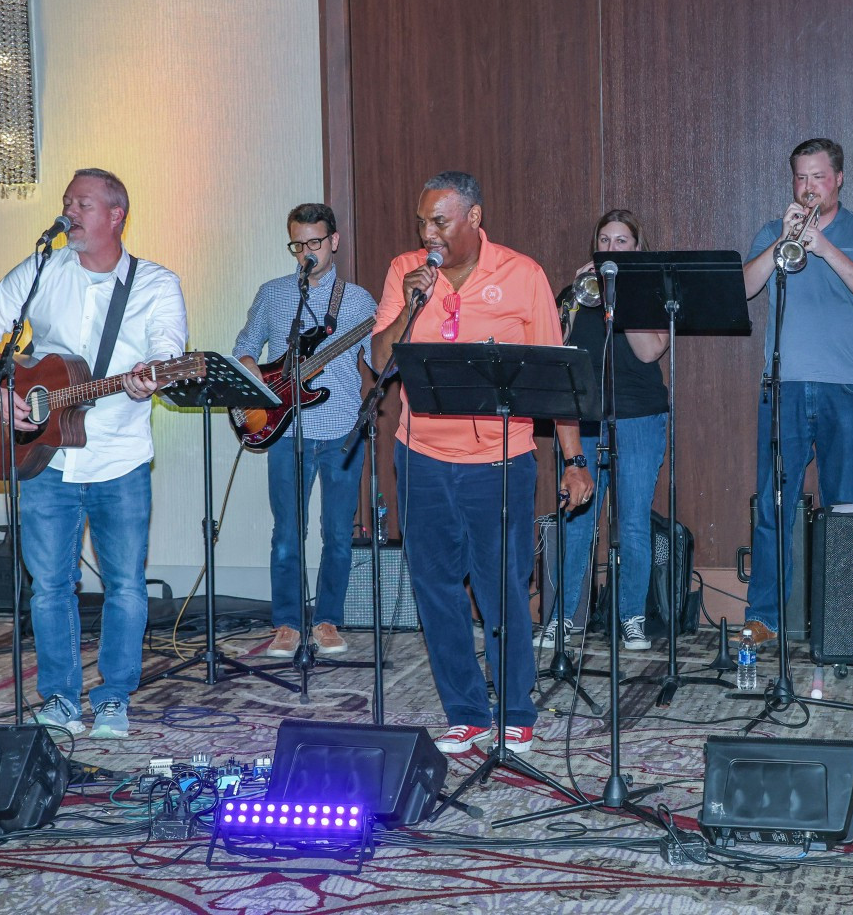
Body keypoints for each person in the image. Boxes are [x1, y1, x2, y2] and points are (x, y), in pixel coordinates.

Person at [0, 168, 188, 739]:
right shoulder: (44, 269)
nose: (70, 211)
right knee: (50, 585)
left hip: (120, 458)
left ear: (116, 215)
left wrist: (147, 379)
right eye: (67, 202)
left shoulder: (156, 284)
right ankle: (60, 698)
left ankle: (113, 696)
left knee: (126, 585)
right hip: (45, 460)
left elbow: (167, 351)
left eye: (82, 203)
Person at [371, 171, 594, 755]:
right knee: (436, 589)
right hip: (420, 457)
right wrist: (412, 303)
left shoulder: (523, 275)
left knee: (502, 588)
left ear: (473, 218)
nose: (428, 232)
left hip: (500, 461)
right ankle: (466, 711)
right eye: (422, 221)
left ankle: (516, 706)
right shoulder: (405, 271)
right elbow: (379, 360)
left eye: (439, 221)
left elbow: (556, 379)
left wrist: (573, 459)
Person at [740, 137, 853, 647]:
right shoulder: (773, 230)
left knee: (842, 506)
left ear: (839, 179)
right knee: (773, 506)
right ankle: (764, 617)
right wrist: (783, 239)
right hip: (782, 387)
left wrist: (822, 247)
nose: (808, 188)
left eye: (818, 177)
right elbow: (743, 288)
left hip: (843, 389)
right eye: (801, 178)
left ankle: (841, 620)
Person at [233, 203, 377, 659]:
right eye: (299, 245)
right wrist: (257, 376)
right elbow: (244, 348)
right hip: (287, 430)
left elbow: (380, 358)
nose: (307, 253)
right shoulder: (275, 294)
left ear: (334, 241)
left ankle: (328, 619)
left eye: (315, 243)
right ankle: (288, 623)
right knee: (286, 533)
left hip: (340, 432)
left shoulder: (358, 301)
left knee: (337, 533)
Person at [536, 210, 668, 653]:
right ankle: (561, 620)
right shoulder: (577, 293)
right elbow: (553, 348)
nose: (612, 249)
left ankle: (631, 617)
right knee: (577, 521)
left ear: (637, 248)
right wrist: (575, 297)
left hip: (639, 415)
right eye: (605, 241)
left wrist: (623, 296)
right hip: (583, 419)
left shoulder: (651, 294)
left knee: (632, 522)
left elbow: (649, 351)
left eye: (622, 242)